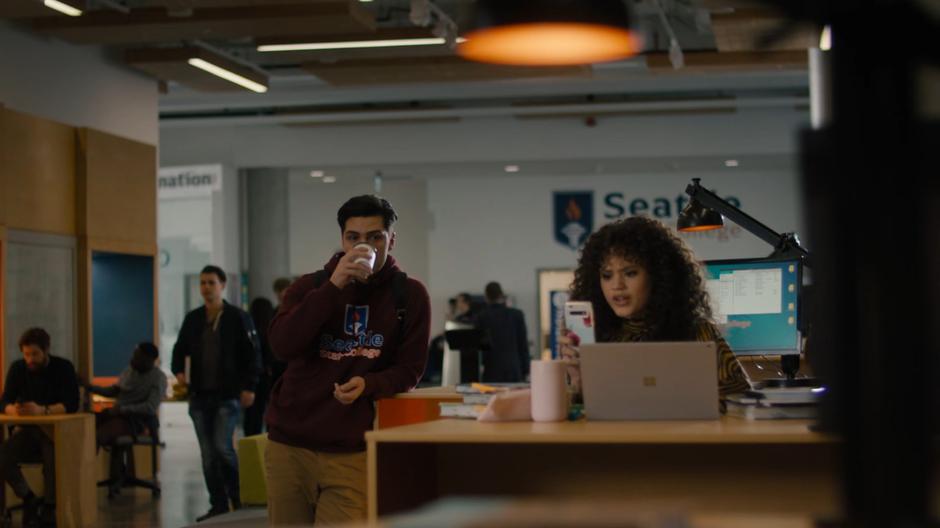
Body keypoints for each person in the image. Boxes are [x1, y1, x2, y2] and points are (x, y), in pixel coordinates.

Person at [265, 194, 431, 526]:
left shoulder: (409, 295)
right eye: (353, 237)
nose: (363, 245)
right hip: (290, 445)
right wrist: (333, 286)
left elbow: (410, 370)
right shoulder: (309, 287)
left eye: (375, 237)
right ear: (342, 240)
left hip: (353, 450)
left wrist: (371, 383)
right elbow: (282, 346)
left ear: (391, 240)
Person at [561, 216, 750, 398]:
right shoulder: (594, 339)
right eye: (607, 275)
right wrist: (578, 383)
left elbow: (740, 407)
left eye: (630, 273)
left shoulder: (699, 334)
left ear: (658, 276)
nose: (616, 285)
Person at [171, 265, 262, 523]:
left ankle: (239, 497)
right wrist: (179, 373)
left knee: (223, 448)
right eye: (202, 283)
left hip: (228, 395)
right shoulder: (193, 319)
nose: (206, 287)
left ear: (222, 285)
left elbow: (253, 354)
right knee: (208, 455)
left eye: (211, 282)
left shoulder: (238, 317)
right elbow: (178, 352)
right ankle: (218, 503)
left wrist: (250, 387)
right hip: (199, 396)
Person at [0, 328, 79, 527]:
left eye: (35, 354)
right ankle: (28, 497)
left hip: (56, 433)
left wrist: (42, 410)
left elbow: (71, 403)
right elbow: (4, 401)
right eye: (26, 354)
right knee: (3, 455)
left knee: (51, 456)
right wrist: (14, 410)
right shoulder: (18, 368)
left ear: (46, 351)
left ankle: (50, 507)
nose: (30, 359)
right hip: (29, 431)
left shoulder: (63, 368)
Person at [87, 342, 167, 493]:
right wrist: (91, 387)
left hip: (137, 421)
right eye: (134, 355)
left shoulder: (158, 378)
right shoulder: (130, 371)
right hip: (116, 414)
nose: (133, 359)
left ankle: (86, 477)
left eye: (137, 357)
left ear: (149, 360)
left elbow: (150, 407)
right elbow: (115, 390)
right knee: (87, 426)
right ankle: (89, 474)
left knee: (98, 435)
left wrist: (122, 410)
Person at [476, 282, 530, 382]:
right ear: (501, 294)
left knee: (492, 397)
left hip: (491, 368)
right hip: (514, 368)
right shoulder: (517, 315)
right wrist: (526, 369)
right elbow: (523, 344)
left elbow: (479, 346)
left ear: (486, 297)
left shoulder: (481, 317)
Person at [243, 297, 276, 437]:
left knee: (252, 413)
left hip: (251, 378)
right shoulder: (272, 330)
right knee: (269, 409)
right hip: (269, 377)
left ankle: (251, 440)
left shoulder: (249, 330)